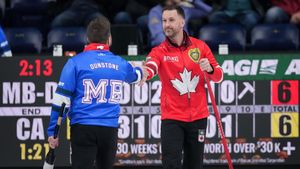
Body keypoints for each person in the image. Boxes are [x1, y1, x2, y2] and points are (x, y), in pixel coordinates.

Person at [47, 16, 147, 169]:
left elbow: (61, 101)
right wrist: (143, 71)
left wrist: (53, 132)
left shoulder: (75, 62)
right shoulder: (119, 63)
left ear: (87, 38)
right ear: (109, 39)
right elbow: (136, 76)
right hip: (109, 130)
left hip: (83, 128)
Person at [141, 5, 223, 169]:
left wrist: (210, 68)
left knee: (194, 164)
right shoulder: (159, 51)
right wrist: (145, 73)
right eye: (164, 21)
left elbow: (219, 76)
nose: (166, 25)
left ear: (182, 22)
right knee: (171, 164)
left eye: (171, 20)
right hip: (172, 118)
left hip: (199, 118)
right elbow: (151, 66)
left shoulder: (200, 47)